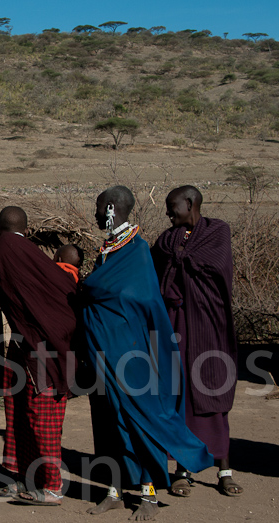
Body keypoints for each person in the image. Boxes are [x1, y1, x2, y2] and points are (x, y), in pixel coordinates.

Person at [82, 185, 213, 521]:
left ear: (111, 208)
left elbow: (139, 300)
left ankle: (149, 494)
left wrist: (93, 289)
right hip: (104, 351)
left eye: (99, 208)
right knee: (108, 420)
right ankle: (112, 489)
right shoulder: (109, 250)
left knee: (140, 417)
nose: (96, 214)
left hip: (131, 352)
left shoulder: (137, 252)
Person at [0, 206, 78, 507]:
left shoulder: (6, 250)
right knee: (19, 412)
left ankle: (51, 486)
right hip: (28, 346)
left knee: (40, 416)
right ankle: (25, 477)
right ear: (27, 227)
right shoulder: (32, 254)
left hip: (41, 351)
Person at [151, 186, 242, 497]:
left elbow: (215, 265)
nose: (167, 213)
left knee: (211, 391)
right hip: (175, 326)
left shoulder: (217, 232)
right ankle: (182, 469)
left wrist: (182, 257)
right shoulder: (166, 240)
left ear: (189, 203)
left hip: (208, 325)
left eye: (171, 206)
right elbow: (156, 273)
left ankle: (224, 470)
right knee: (178, 395)